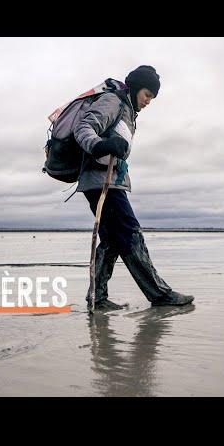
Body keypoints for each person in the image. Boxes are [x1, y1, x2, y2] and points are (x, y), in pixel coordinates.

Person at [73, 65, 194, 311]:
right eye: (147, 94)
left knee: (112, 239)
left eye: (152, 97)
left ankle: (97, 297)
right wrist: (100, 145)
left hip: (110, 181)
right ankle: (159, 294)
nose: (149, 101)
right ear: (137, 87)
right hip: (101, 182)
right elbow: (84, 128)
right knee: (130, 232)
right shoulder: (113, 102)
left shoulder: (128, 111)